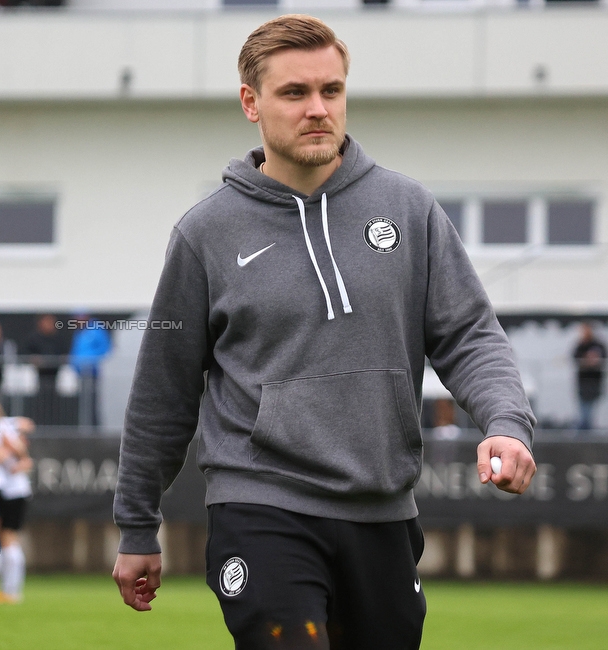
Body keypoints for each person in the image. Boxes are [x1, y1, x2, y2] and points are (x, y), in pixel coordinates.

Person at [112, 15, 537, 650]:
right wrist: (137, 526)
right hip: (260, 505)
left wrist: (505, 421)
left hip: (383, 511)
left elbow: (470, 336)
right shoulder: (206, 234)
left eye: (331, 91)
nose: (318, 109)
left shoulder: (408, 209)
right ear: (250, 103)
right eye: (294, 93)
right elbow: (163, 391)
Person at [0, 406, 35, 604]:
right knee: (4, 538)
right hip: (13, 490)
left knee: (5, 538)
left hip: (8, 490)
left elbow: (8, 453)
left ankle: (10, 590)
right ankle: (6, 589)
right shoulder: (7, 424)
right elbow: (26, 424)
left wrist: (12, 459)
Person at [573, 321, 606, 431]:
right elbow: (575, 358)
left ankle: (586, 428)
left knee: (590, 407)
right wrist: (587, 360)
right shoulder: (580, 345)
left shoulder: (598, 345)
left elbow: (602, 358)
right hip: (582, 381)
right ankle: (585, 428)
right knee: (584, 407)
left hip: (595, 381)